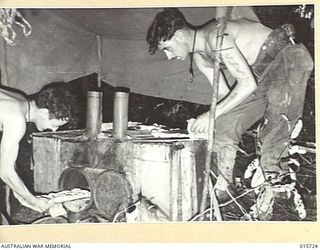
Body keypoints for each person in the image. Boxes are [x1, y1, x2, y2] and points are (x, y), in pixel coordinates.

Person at [147, 8, 314, 219]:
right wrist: (209, 121)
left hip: (286, 58)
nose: (168, 56)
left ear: (179, 36)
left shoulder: (217, 37)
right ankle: (223, 189)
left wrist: (210, 114)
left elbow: (246, 84)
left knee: (275, 131)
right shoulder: (200, 56)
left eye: (167, 48)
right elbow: (226, 97)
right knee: (225, 123)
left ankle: (277, 204)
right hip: (262, 73)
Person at [0, 84, 78, 214]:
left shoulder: (21, 100)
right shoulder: (17, 120)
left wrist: (21, 194)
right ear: (44, 112)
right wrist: (33, 200)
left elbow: (6, 161)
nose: (54, 129)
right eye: (54, 124)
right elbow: (5, 171)